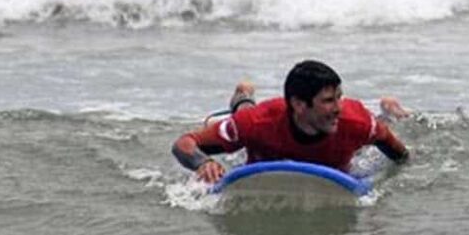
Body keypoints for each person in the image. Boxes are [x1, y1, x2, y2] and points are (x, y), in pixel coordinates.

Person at [172, 60, 411, 183]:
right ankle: (243, 95)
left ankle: (389, 109)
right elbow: (185, 143)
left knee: (375, 127)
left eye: (340, 97)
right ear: (298, 104)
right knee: (244, 116)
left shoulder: (355, 120)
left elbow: (400, 154)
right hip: (262, 126)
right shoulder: (257, 122)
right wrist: (202, 163)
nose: (338, 107)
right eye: (328, 100)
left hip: (334, 169)